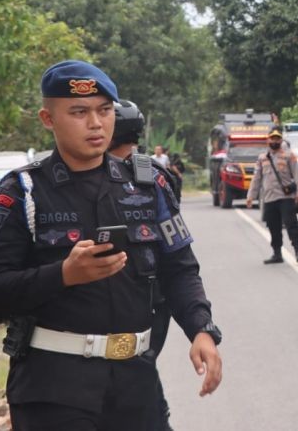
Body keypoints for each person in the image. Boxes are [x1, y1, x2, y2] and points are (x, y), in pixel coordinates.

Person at [0, 60, 222, 431]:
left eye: (104, 110)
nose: (96, 123)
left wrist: (201, 329)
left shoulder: (147, 185)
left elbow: (180, 268)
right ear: (48, 119)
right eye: (79, 112)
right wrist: (63, 274)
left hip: (136, 381)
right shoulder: (22, 193)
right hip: (54, 386)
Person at [109, 100, 176, 431]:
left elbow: (178, 259)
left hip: (138, 317)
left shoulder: (152, 177)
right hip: (149, 313)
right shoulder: (155, 174)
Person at [247, 127, 298, 263]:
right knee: (273, 227)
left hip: (285, 198)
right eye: (272, 138)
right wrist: (250, 196)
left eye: (277, 138)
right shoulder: (262, 158)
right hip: (269, 198)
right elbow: (256, 178)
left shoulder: (289, 155)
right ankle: (277, 253)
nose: (275, 141)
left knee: (291, 225)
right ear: (268, 140)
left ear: (281, 140)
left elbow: (297, 176)